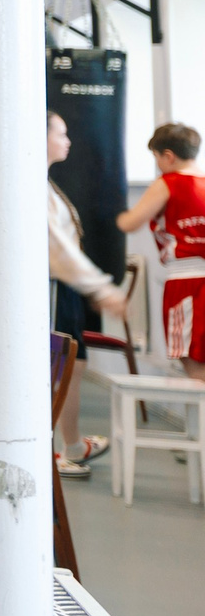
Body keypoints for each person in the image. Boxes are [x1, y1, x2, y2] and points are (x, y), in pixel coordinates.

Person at [49, 111, 130, 476]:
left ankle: (73, 444)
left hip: (64, 289)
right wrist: (99, 287)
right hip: (52, 288)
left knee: (73, 365)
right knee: (60, 368)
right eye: (61, 134)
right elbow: (57, 248)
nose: (67, 142)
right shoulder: (33, 186)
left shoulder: (46, 183)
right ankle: (57, 451)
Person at [119, 121, 205, 376]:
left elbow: (130, 223)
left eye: (156, 157)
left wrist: (108, 213)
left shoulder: (168, 183)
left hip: (186, 282)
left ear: (168, 156)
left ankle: (199, 418)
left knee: (194, 367)